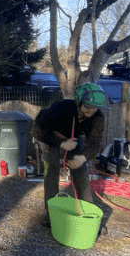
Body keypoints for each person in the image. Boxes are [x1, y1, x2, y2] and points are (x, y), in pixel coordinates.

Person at [31, 82, 108, 227]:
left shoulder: (98, 116)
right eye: (88, 106)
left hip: (75, 140)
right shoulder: (60, 108)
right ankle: (51, 214)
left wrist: (82, 158)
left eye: (95, 107)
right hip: (52, 137)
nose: (91, 111)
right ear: (79, 101)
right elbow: (36, 130)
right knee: (51, 175)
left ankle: (89, 216)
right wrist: (61, 143)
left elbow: (94, 143)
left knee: (82, 175)